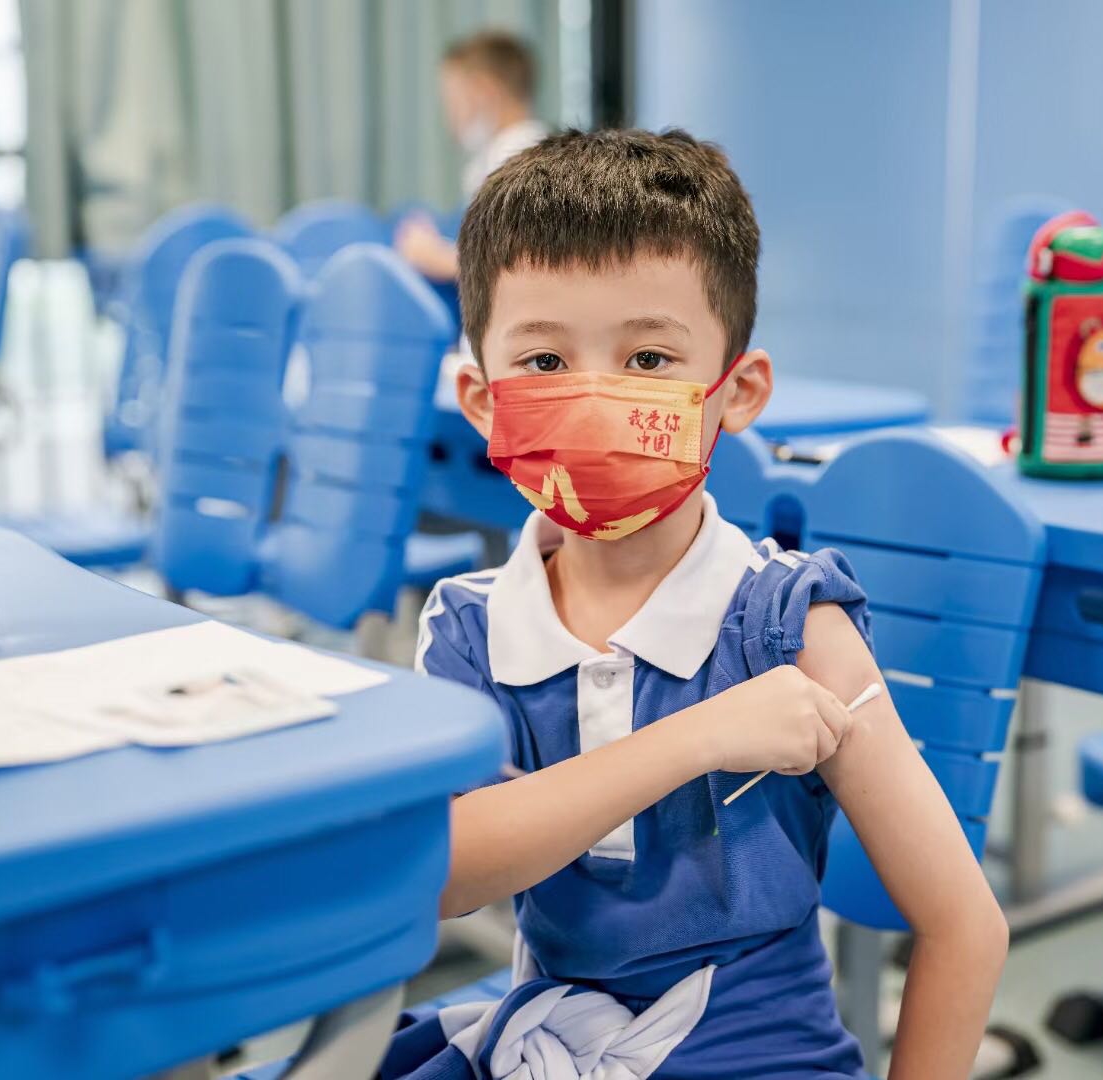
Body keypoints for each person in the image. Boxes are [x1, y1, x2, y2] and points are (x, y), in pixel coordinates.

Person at [396, 129, 1007, 1079]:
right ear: (481, 400)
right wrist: (700, 737)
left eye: (647, 358)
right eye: (545, 363)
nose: (593, 402)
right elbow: (441, 874)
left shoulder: (790, 626)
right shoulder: (468, 627)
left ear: (738, 391)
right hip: (546, 1040)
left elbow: (964, 925)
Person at [395, 30, 547, 283]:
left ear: (485, 92)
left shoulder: (523, 159)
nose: (451, 120)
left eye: (454, 103)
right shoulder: (503, 155)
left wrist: (432, 256)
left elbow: (518, 266)